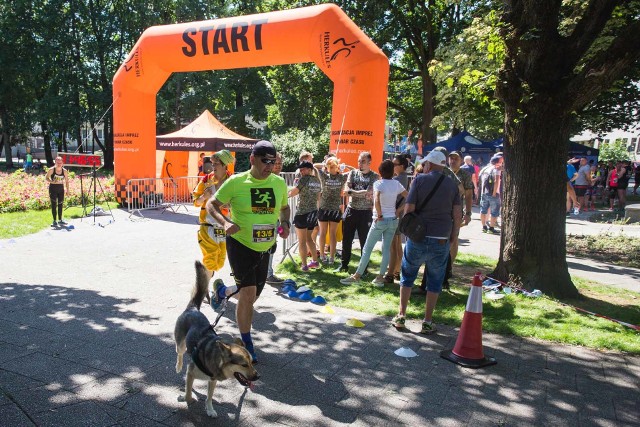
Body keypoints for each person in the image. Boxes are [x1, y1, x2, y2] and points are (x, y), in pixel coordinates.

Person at [206, 140, 290, 363]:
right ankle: (246, 343)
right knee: (248, 295)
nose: (270, 166)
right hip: (240, 244)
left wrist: (286, 223)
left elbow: (283, 207)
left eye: (273, 162)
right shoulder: (236, 182)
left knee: (252, 295)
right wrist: (225, 223)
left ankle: (223, 291)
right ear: (252, 159)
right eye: (265, 161)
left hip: (265, 248)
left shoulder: (279, 183)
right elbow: (211, 205)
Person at [392, 151, 461, 334]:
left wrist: (407, 227)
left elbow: (409, 208)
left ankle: (401, 316)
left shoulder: (419, 180)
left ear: (429, 164)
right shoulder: (452, 185)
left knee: (407, 276)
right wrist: (454, 235)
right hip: (441, 238)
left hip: (418, 237)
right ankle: (428, 321)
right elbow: (457, 214)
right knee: (435, 281)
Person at [340, 159, 407, 286]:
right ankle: (380, 277)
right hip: (392, 220)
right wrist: (398, 210)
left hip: (380, 219)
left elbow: (376, 200)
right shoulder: (396, 184)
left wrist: (380, 214)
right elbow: (408, 196)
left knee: (367, 248)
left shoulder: (378, 184)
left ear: (380, 172)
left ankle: (357, 276)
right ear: (392, 171)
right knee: (386, 249)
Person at [192, 150, 235, 303]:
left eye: (216, 163)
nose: (213, 166)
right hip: (207, 226)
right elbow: (195, 202)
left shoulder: (233, 182)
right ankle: (202, 289)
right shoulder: (206, 180)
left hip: (224, 228)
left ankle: (203, 283)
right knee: (210, 260)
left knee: (219, 262)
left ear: (225, 165)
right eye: (213, 163)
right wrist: (204, 196)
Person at [336, 151, 380, 273]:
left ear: (369, 163)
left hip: (365, 212)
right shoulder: (353, 173)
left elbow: (369, 192)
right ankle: (344, 264)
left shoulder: (374, 176)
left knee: (364, 241)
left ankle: (364, 268)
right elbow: (346, 190)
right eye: (359, 161)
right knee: (347, 239)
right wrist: (357, 192)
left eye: (363, 161)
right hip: (351, 210)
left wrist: (353, 192)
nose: (360, 164)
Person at [288, 161, 322, 271]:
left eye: (303, 169)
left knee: (302, 241)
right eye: (300, 170)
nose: (301, 172)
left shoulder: (303, 180)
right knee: (309, 239)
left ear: (309, 169)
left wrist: (285, 195)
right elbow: (317, 198)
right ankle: (315, 262)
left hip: (302, 213)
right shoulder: (317, 180)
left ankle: (304, 265)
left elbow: (293, 193)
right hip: (313, 213)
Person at [316, 156, 348, 265]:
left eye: (333, 166)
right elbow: (314, 166)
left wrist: (344, 166)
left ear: (337, 166)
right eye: (330, 166)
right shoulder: (324, 175)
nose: (331, 168)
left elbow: (355, 170)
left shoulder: (342, 177)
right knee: (323, 233)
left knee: (333, 234)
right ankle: (322, 255)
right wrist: (325, 164)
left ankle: (332, 257)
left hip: (335, 209)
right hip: (324, 208)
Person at [384, 154, 410, 284]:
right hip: (398, 215)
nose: (392, 167)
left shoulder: (399, 179)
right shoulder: (401, 178)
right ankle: (397, 271)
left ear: (402, 166)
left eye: (394, 164)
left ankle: (390, 273)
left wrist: (398, 210)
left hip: (395, 216)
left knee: (393, 245)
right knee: (398, 245)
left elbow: (407, 197)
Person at [266, 153, 285, 284]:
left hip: (275, 219)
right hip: (265, 219)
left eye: (280, 164)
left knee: (272, 246)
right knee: (267, 246)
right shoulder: (267, 179)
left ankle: (268, 273)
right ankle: (266, 273)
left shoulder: (280, 180)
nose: (277, 166)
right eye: (275, 163)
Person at [479, 155, 504, 233]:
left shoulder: (485, 168)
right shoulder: (497, 169)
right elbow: (496, 181)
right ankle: (491, 229)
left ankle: (484, 227)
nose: (502, 163)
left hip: (484, 193)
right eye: (501, 162)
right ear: (498, 162)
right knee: (495, 211)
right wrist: (494, 193)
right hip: (493, 193)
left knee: (483, 210)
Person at [45, 156, 70, 227]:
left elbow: (67, 181)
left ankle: (60, 220)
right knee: (54, 204)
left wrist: (68, 190)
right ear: (55, 162)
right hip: (53, 188)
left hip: (60, 188)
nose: (59, 164)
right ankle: (54, 221)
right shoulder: (51, 170)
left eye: (60, 162)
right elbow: (46, 177)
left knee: (60, 204)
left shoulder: (64, 171)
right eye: (57, 162)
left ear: (62, 163)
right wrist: (51, 181)